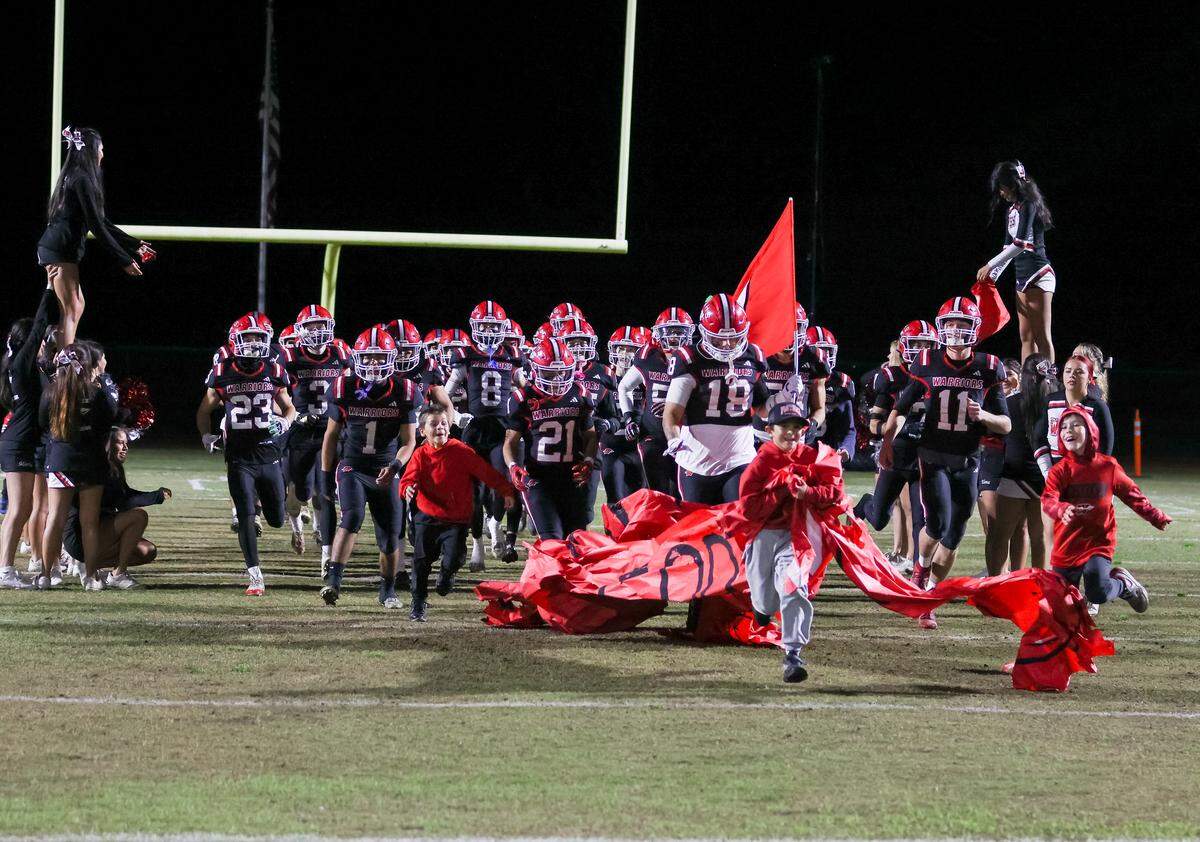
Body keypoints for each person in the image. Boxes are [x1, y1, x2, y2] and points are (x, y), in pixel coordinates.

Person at [884, 298, 1010, 628]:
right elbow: (902, 404)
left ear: (974, 328)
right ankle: (922, 585)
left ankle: (930, 588)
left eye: (961, 323)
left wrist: (983, 415)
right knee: (937, 524)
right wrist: (887, 434)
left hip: (968, 460)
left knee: (955, 532)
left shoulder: (989, 366)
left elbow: (1006, 424)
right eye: (950, 323)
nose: (955, 330)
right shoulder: (926, 361)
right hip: (933, 456)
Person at [738, 399, 846, 683]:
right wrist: (781, 490)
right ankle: (761, 613)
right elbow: (747, 508)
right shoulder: (762, 461)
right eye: (785, 426)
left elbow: (834, 493)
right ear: (770, 429)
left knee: (793, 586)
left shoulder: (815, 456)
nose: (791, 432)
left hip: (798, 536)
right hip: (762, 535)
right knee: (764, 599)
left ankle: (793, 653)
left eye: (797, 427)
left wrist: (807, 493)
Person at [196, 313, 296, 596]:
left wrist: (286, 422)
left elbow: (289, 407)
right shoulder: (222, 370)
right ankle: (255, 576)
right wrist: (207, 436)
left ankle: (267, 513)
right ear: (235, 340)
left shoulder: (274, 369)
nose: (253, 343)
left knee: (277, 519)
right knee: (244, 514)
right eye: (247, 337)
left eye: (258, 337)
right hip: (239, 456)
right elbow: (204, 410)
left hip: (269, 454)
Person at [320, 326, 420, 609]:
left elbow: (409, 440)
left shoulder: (404, 390)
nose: (375, 364)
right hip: (353, 466)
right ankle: (333, 582)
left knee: (390, 537)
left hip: (386, 469)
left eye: (380, 357)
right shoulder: (344, 387)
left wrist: (395, 466)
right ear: (358, 358)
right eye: (369, 357)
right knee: (351, 516)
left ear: (391, 358)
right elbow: (331, 435)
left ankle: (387, 590)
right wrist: (327, 476)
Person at [1042, 406, 1169, 612]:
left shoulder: (1107, 467)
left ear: (1090, 429)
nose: (1068, 430)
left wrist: (1154, 515)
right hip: (1067, 544)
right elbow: (1048, 499)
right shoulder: (1059, 471)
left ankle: (1122, 585)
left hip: (1097, 542)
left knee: (1097, 592)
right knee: (1062, 605)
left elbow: (1132, 495)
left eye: (1076, 425)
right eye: (1064, 427)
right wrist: (1060, 509)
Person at [38, 127, 154, 346]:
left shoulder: (74, 176)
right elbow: (96, 227)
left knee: (76, 305)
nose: (102, 154)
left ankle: (55, 347)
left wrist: (134, 245)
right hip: (60, 248)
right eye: (100, 149)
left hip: (58, 247)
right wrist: (124, 259)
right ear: (91, 151)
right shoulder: (81, 179)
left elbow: (100, 221)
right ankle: (64, 367)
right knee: (71, 309)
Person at [400, 406, 515, 621]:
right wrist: (406, 488)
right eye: (434, 424)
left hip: (456, 520)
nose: (440, 428)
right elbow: (408, 479)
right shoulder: (420, 454)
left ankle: (446, 574)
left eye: (444, 423)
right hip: (427, 517)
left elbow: (486, 472)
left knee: (454, 558)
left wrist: (506, 491)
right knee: (421, 562)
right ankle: (418, 603)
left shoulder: (461, 450)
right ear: (423, 431)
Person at [663, 294, 769, 504]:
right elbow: (672, 413)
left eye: (734, 336)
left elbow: (762, 407)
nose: (728, 343)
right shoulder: (689, 358)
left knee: (738, 525)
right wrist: (674, 440)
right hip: (696, 460)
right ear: (704, 332)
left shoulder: (754, 355)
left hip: (739, 458)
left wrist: (786, 400)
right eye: (720, 337)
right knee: (699, 528)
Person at [444, 301, 524, 571]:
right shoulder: (465, 355)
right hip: (476, 428)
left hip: (503, 428)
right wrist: (456, 417)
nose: (489, 330)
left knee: (505, 483)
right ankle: (477, 543)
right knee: (473, 494)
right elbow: (446, 393)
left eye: (494, 325)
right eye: (484, 324)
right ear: (475, 326)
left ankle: (495, 522)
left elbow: (526, 391)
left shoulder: (512, 355)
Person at [854, 320, 938, 573]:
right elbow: (873, 424)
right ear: (904, 346)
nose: (922, 348)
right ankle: (863, 505)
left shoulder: (940, 374)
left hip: (924, 456)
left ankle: (917, 574)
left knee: (920, 518)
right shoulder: (892, 377)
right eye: (917, 343)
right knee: (879, 518)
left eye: (927, 344)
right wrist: (894, 431)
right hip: (896, 453)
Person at [39, 343, 119, 590]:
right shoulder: (95, 392)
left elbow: (43, 423)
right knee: (89, 522)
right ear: (85, 366)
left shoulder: (51, 392)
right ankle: (91, 577)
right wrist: (104, 380)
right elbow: (110, 417)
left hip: (61, 460)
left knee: (55, 519)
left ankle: (45, 575)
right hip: (90, 462)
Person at [503, 338, 598, 540]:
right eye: (549, 373)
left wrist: (589, 460)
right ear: (536, 371)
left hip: (571, 477)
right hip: (539, 479)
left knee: (577, 540)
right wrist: (512, 465)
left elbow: (590, 435)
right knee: (552, 539)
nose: (556, 379)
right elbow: (510, 441)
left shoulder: (580, 394)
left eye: (561, 372)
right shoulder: (523, 398)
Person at [280, 304, 350, 568]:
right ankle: (297, 526)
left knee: (326, 492)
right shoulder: (289, 356)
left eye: (321, 325)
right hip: (300, 432)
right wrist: (293, 415)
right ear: (301, 330)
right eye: (311, 326)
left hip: (330, 431)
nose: (317, 331)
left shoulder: (341, 353)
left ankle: (326, 553)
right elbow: (276, 393)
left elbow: (353, 388)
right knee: (300, 492)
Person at [0, 282, 58, 588]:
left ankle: (6, 568)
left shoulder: (24, 366)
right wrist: (49, 289)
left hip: (21, 439)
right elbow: (38, 328)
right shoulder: (22, 362)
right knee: (18, 509)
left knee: (20, 508)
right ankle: (5, 570)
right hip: (18, 442)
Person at [62, 427, 171, 588]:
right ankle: (117, 574)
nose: (125, 448)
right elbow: (124, 500)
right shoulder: (99, 468)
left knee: (147, 551)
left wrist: (157, 496)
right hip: (80, 536)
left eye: (126, 443)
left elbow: (124, 495)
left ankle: (91, 565)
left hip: (100, 530)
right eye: (120, 443)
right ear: (108, 445)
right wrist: (157, 496)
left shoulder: (114, 467)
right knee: (138, 516)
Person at [984, 355, 1057, 575]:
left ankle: (996, 584)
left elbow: (992, 435)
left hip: (1014, 475)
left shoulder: (1010, 403)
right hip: (1046, 478)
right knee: (1040, 538)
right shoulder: (1057, 403)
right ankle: (1040, 588)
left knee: (1000, 535)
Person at [976, 160, 1054, 362]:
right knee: (1026, 337)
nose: (1001, 193)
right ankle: (1026, 385)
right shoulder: (1011, 211)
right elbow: (1007, 248)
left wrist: (990, 265)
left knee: (1041, 336)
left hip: (1038, 274)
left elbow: (1020, 244)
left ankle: (1049, 385)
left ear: (1011, 185)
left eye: (1001, 188)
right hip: (1021, 277)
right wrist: (992, 276)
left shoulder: (1029, 204)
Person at [618, 307, 695, 498]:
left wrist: (679, 408)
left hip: (687, 436)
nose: (674, 337)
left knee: (683, 494)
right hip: (652, 434)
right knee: (658, 493)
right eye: (669, 331)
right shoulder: (648, 357)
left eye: (679, 331)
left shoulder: (695, 358)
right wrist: (630, 418)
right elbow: (624, 387)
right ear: (658, 334)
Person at [1033, 354, 1114, 476]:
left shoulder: (1098, 407)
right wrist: (1048, 473)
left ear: (1090, 377)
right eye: (1068, 371)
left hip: (1087, 478)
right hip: (1056, 475)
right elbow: (1038, 439)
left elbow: (1104, 449)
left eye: (1079, 371)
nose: (1072, 375)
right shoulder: (1050, 402)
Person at [598, 326, 649, 504]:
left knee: (639, 498)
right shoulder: (603, 376)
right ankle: (614, 532)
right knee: (615, 497)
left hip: (637, 444)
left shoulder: (644, 378)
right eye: (622, 348)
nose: (625, 354)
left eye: (631, 350)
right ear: (613, 349)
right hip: (611, 443)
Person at [807, 326, 855, 461]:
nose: (824, 356)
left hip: (827, 455)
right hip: (797, 451)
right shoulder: (794, 379)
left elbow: (848, 429)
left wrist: (846, 448)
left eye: (828, 351)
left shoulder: (840, 384)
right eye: (819, 350)